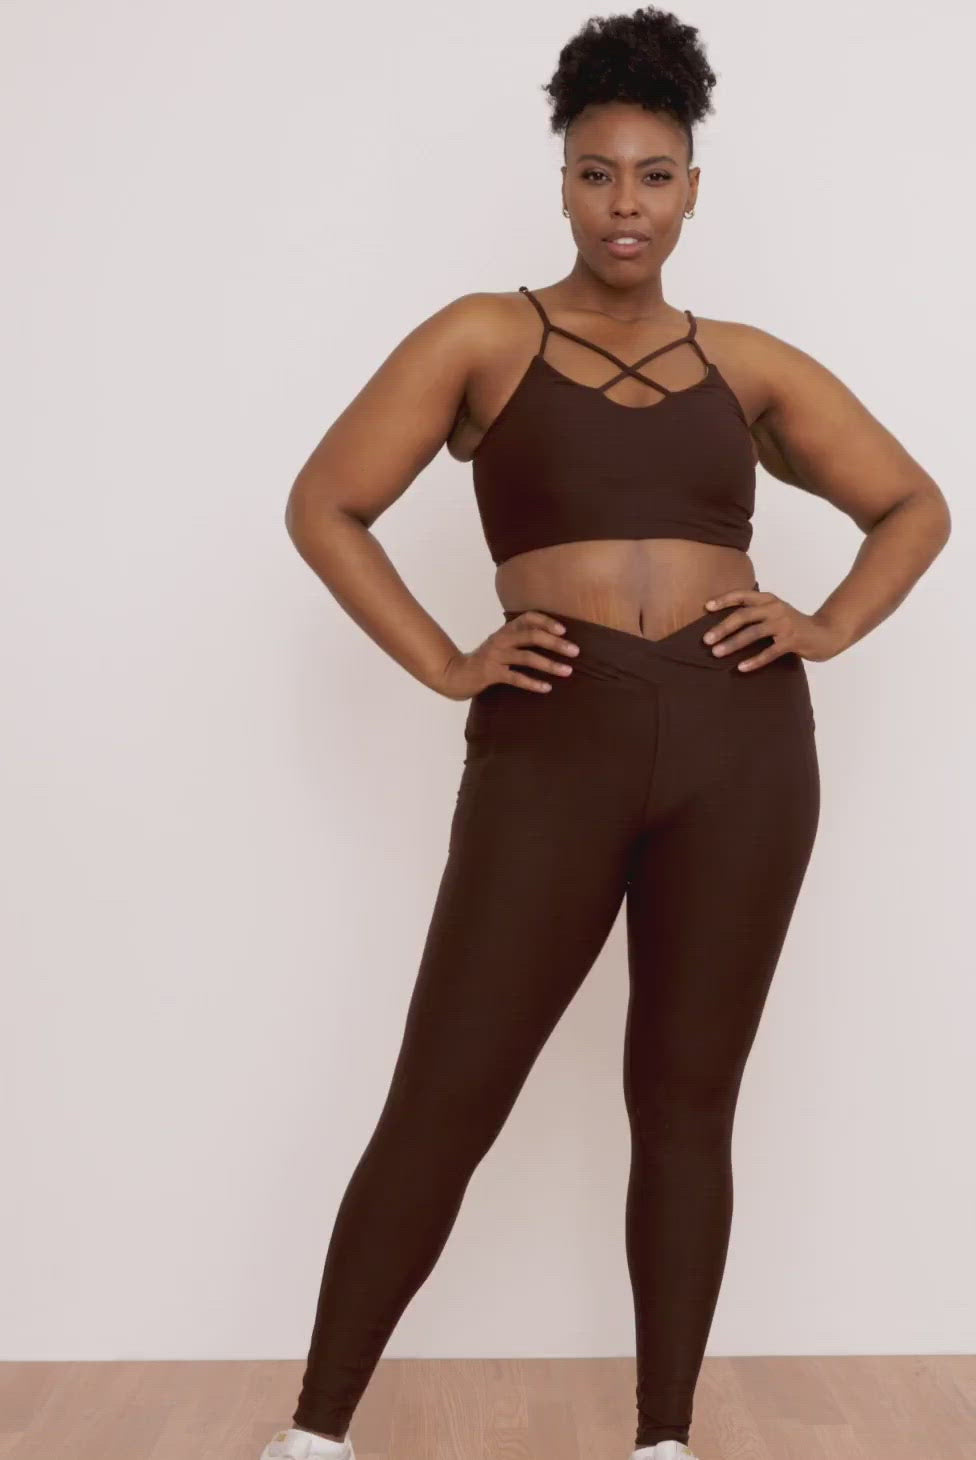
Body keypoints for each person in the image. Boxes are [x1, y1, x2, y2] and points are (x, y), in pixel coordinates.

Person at [260, 8, 951, 1460]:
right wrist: (448, 662)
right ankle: (313, 1437)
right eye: (596, 173)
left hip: (741, 744)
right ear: (563, 182)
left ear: (694, 188)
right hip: (551, 739)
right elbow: (327, 504)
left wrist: (826, 624)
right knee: (447, 1091)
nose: (624, 203)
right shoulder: (482, 336)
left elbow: (914, 504)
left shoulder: (745, 364)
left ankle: (663, 1440)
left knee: (686, 1103)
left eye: (653, 175)